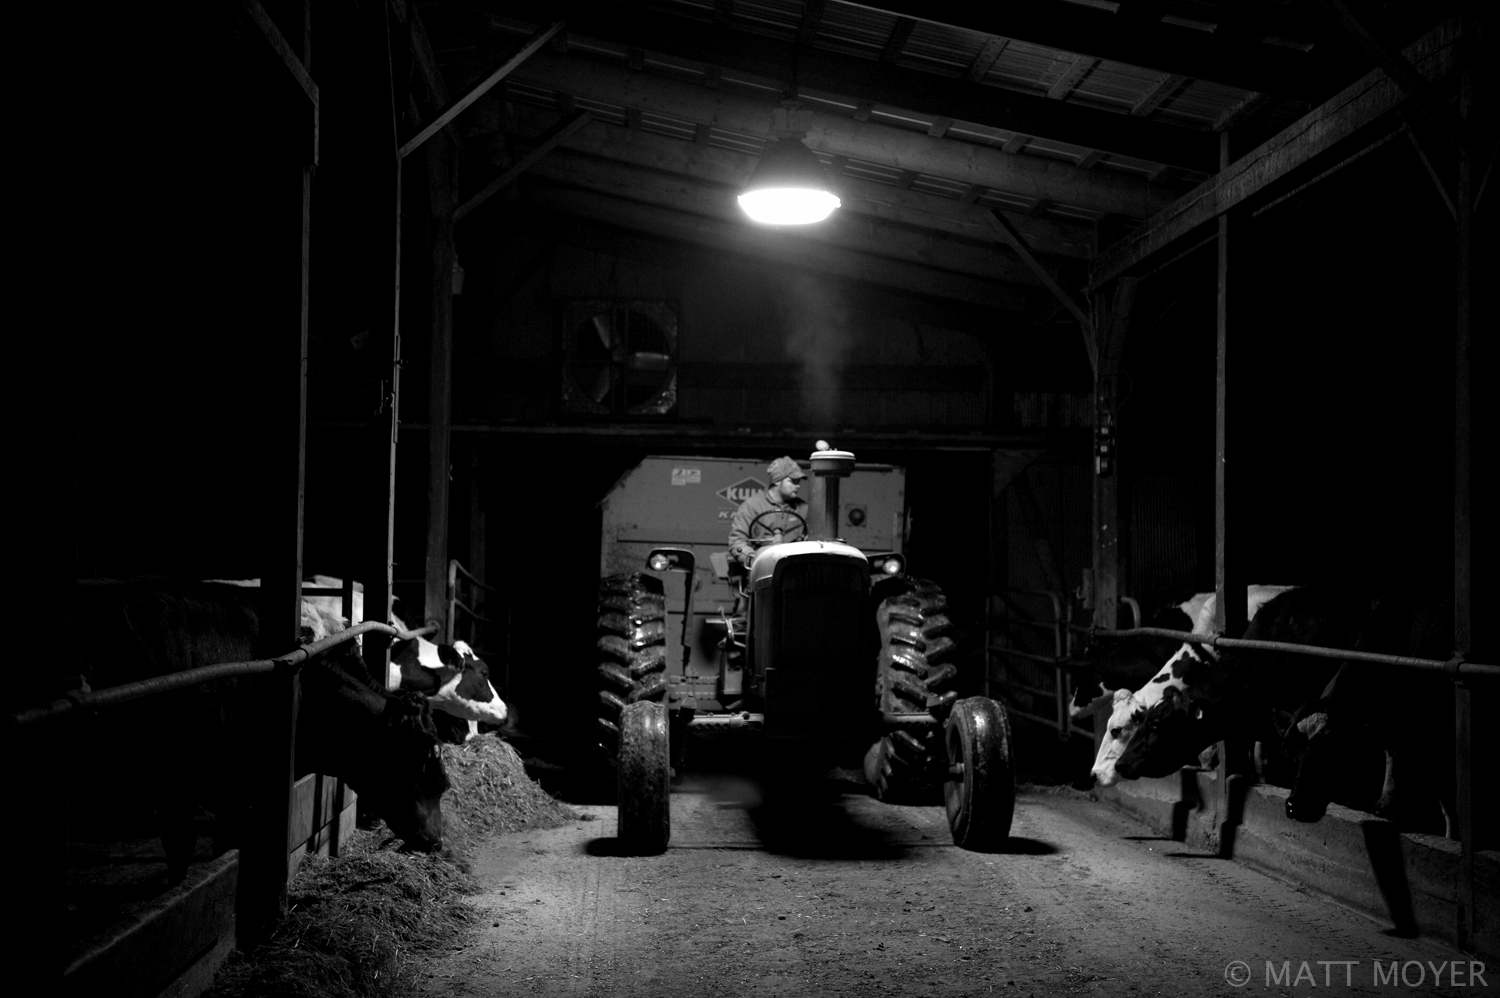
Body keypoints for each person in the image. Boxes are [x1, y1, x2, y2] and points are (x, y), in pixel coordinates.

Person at [727, 457, 808, 567]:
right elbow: (737, 541)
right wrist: (754, 560)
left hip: (793, 569)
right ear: (777, 481)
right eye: (792, 481)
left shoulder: (802, 508)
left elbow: (811, 540)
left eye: (798, 482)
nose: (797, 485)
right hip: (761, 567)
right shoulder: (752, 506)